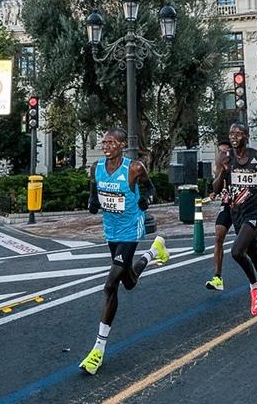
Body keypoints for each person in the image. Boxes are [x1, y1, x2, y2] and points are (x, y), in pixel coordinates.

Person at [79, 128, 170, 375]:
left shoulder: (134, 168)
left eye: (111, 142)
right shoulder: (96, 167)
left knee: (110, 285)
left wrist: (145, 201)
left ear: (121, 145)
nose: (106, 146)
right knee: (127, 281)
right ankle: (154, 252)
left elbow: (150, 190)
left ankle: (97, 349)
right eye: (104, 142)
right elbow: (93, 189)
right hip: (111, 230)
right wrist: (92, 201)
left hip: (131, 229)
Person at [212, 123, 257, 315]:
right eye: (231, 133)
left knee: (236, 252)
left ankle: (254, 287)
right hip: (237, 211)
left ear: (246, 136)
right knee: (253, 253)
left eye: (237, 133)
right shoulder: (225, 158)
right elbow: (216, 188)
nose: (233, 137)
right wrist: (224, 171)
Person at [205, 140, 232, 291]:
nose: (222, 154)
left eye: (225, 151)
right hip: (227, 204)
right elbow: (216, 185)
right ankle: (217, 277)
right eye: (220, 151)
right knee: (218, 236)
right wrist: (214, 192)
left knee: (246, 246)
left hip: (243, 205)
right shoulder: (219, 166)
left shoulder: (238, 163)